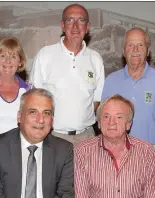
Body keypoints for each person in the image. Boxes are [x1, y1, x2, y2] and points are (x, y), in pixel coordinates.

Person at [101, 27, 155, 184]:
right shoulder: (111, 81)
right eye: (130, 45)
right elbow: (103, 121)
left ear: (148, 51)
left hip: (153, 153)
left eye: (140, 45)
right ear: (124, 51)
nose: (135, 50)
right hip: (117, 154)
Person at [29, 4, 105, 144]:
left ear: (87, 27)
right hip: (53, 137)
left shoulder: (95, 59)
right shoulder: (45, 55)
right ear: (63, 26)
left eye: (81, 20)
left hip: (87, 137)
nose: (75, 26)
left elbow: (96, 101)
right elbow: (35, 98)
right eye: (70, 20)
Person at [0, 88, 74, 198]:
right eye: (33, 112)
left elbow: (65, 194)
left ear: (52, 120)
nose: (41, 120)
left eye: (46, 113)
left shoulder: (64, 150)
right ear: (19, 117)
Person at [74, 94, 155, 198]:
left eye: (119, 117)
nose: (111, 123)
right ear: (99, 123)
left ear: (128, 124)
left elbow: (152, 194)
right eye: (106, 116)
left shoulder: (146, 151)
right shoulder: (82, 151)